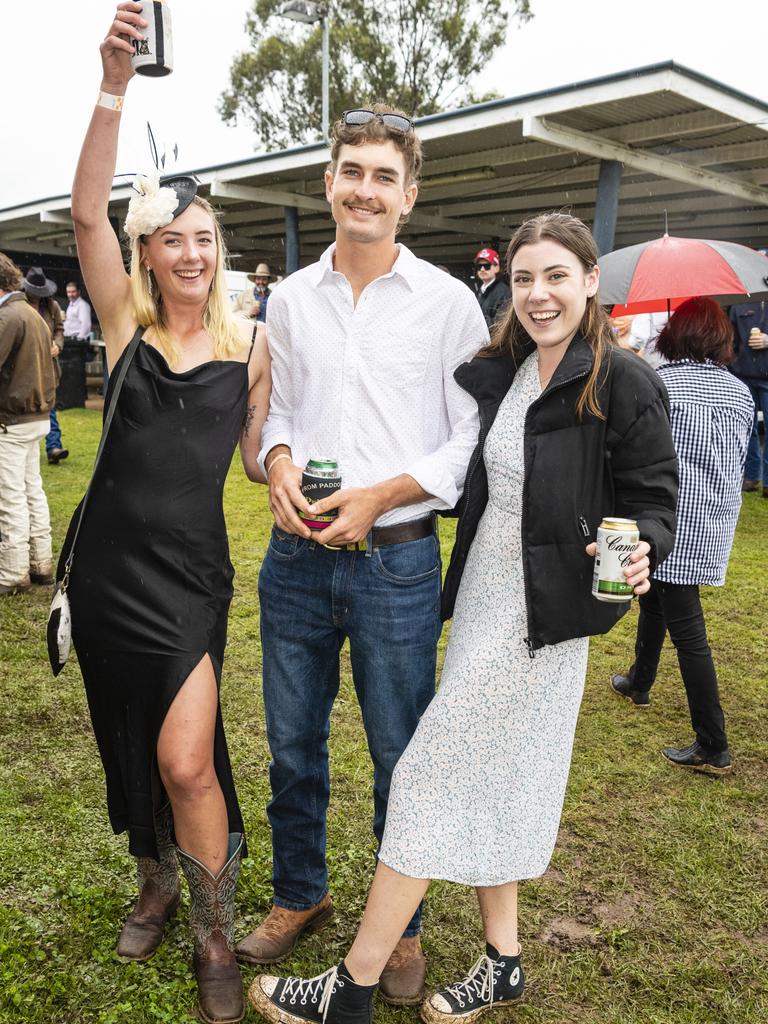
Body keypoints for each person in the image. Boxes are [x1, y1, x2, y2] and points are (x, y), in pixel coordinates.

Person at [247, 211, 678, 1024]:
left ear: (592, 281)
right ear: (507, 289)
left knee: (425, 774)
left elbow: (656, 501)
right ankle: (503, 961)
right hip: (481, 594)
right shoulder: (511, 366)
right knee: (492, 776)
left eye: (557, 276)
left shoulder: (622, 380)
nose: (540, 295)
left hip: (542, 616)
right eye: (524, 279)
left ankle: (353, 984)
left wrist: (643, 548)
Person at [236, 105, 489, 1005]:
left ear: (409, 196)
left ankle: (404, 926)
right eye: (353, 171)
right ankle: (300, 893)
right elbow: (280, 413)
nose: (365, 190)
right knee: (293, 743)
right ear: (330, 181)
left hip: (398, 561)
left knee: (399, 751)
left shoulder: (450, 305)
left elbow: (470, 441)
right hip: (297, 556)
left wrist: (384, 495)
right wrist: (275, 462)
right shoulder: (291, 299)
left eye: (385, 176)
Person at [59, 5, 271, 1021]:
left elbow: (264, 450)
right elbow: (85, 211)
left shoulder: (251, 347)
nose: (190, 253)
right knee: (125, 735)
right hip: (107, 571)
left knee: (187, 755)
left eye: (204, 239)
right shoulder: (121, 329)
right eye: (173, 240)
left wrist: (295, 480)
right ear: (148, 254)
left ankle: (211, 929)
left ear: (218, 250)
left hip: (189, 579)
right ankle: (151, 876)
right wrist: (114, 83)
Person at [611, 297, 753, 775]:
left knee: (689, 630)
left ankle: (713, 745)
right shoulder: (740, 392)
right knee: (658, 598)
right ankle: (640, 680)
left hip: (668, 517)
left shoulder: (660, 383)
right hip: (713, 519)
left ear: (674, 334)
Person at [0, 252, 56, 596]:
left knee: (10, 498)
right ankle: (41, 565)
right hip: (36, 416)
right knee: (32, 492)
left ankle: (11, 573)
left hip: (12, 419)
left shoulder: (9, 316)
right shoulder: (33, 315)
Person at [21, 267, 69, 464]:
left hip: (48, 366)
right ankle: (26, 448)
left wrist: (57, 344)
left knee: (50, 405)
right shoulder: (19, 306)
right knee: (26, 408)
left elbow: (59, 329)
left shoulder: (52, 306)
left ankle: (54, 447)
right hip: (26, 366)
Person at [728, 300, 768, 495]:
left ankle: (767, 483)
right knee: (747, 427)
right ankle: (751, 477)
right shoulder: (740, 304)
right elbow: (731, 340)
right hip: (743, 375)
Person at [473, 246, 511, 328]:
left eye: (487, 266)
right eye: (479, 266)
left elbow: (500, 326)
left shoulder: (504, 292)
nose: (482, 269)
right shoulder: (480, 291)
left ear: (497, 268)